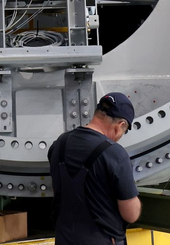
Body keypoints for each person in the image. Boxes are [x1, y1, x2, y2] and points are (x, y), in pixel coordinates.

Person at [48, 92, 141, 245]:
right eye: (124, 131)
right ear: (121, 125)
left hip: (64, 238)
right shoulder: (115, 154)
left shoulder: (59, 144)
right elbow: (130, 214)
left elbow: (58, 189)